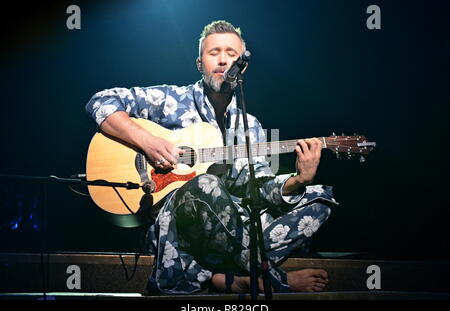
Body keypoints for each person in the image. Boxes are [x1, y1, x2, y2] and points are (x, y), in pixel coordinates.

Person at [85, 20, 338, 294]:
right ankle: (273, 279)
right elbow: (101, 101)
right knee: (206, 184)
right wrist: (148, 142)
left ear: (243, 67)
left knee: (320, 197)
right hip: (175, 223)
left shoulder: (250, 125)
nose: (223, 61)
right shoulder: (172, 99)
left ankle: (222, 276)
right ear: (199, 63)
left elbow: (261, 189)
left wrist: (298, 179)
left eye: (231, 54)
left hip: (230, 224)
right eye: (214, 52)